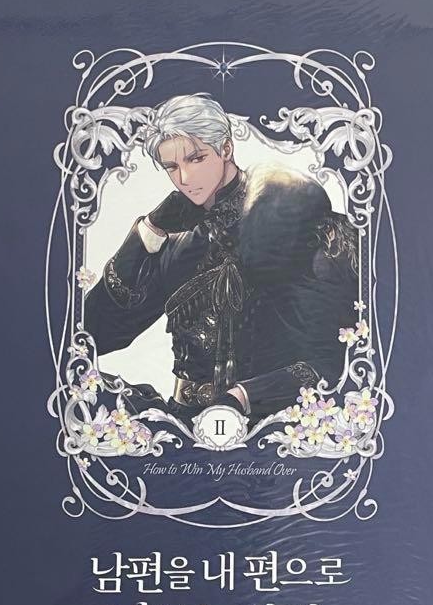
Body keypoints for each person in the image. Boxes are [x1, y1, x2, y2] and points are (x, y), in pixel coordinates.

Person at [82, 93, 358, 423]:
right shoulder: (177, 236)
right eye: (172, 167)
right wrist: (147, 232)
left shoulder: (293, 215)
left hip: (268, 422)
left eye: (196, 159)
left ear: (226, 149)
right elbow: (94, 335)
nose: (184, 179)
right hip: (185, 421)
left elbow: (334, 360)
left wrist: (243, 397)